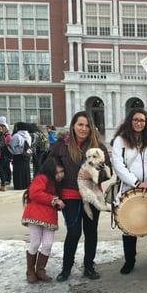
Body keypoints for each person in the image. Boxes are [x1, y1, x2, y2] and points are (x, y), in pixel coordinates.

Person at [49, 111, 111, 281]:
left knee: (91, 232)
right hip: (70, 195)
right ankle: (66, 268)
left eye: (86, 125)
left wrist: (92, 175)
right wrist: (55, 187)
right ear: (73, 125)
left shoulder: (98, 147)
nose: (83, 129)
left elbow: (108, 172)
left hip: (92, 194)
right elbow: (49, 167)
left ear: (91, 127)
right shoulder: (61, 146)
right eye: (80, 125)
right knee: (74, 232)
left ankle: (89, 266)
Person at [112, 108, 147, 275]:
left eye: (142, 120)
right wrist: (135, 182)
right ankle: (129, 261)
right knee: (129, 225)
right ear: (130, 121)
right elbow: (118, 165)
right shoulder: (120, 140)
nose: (139, 123)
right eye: (136, 120)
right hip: (129, 188)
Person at [21, 157, 65, 283]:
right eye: (57, 172)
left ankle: (40, 270)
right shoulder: (42, 178)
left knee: (47, 244)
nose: (60, 175)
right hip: (35, 215)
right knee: (35, 243)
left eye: (62, 171)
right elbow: (34, 193)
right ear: (50, 171)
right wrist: (54, 200)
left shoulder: (59, 184)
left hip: (49, 217)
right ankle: (30, 270)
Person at [10, 122, 32, 190]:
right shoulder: (28, 135)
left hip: (18, 156)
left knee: (18, 171)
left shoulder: (16, 136)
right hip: (26, 155)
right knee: (26, 170)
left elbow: (12, 146)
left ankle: (19, 185)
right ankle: (26, 185)